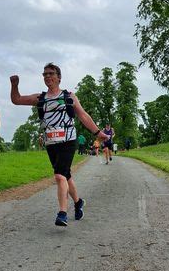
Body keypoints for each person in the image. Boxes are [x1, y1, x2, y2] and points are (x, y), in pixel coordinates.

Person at [10, 63, 108, 226]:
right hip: (51, 142)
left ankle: (62, 213)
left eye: (51, 73)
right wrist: (14, 85)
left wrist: (98, 133)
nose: (47, 76)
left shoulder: (69, 96)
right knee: (65, 175)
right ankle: (78, 203)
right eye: (45, 74)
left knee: (59, 175)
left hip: (68, 140)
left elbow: (83, 116)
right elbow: (16, 100)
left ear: (59, 77)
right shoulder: (40, 98)